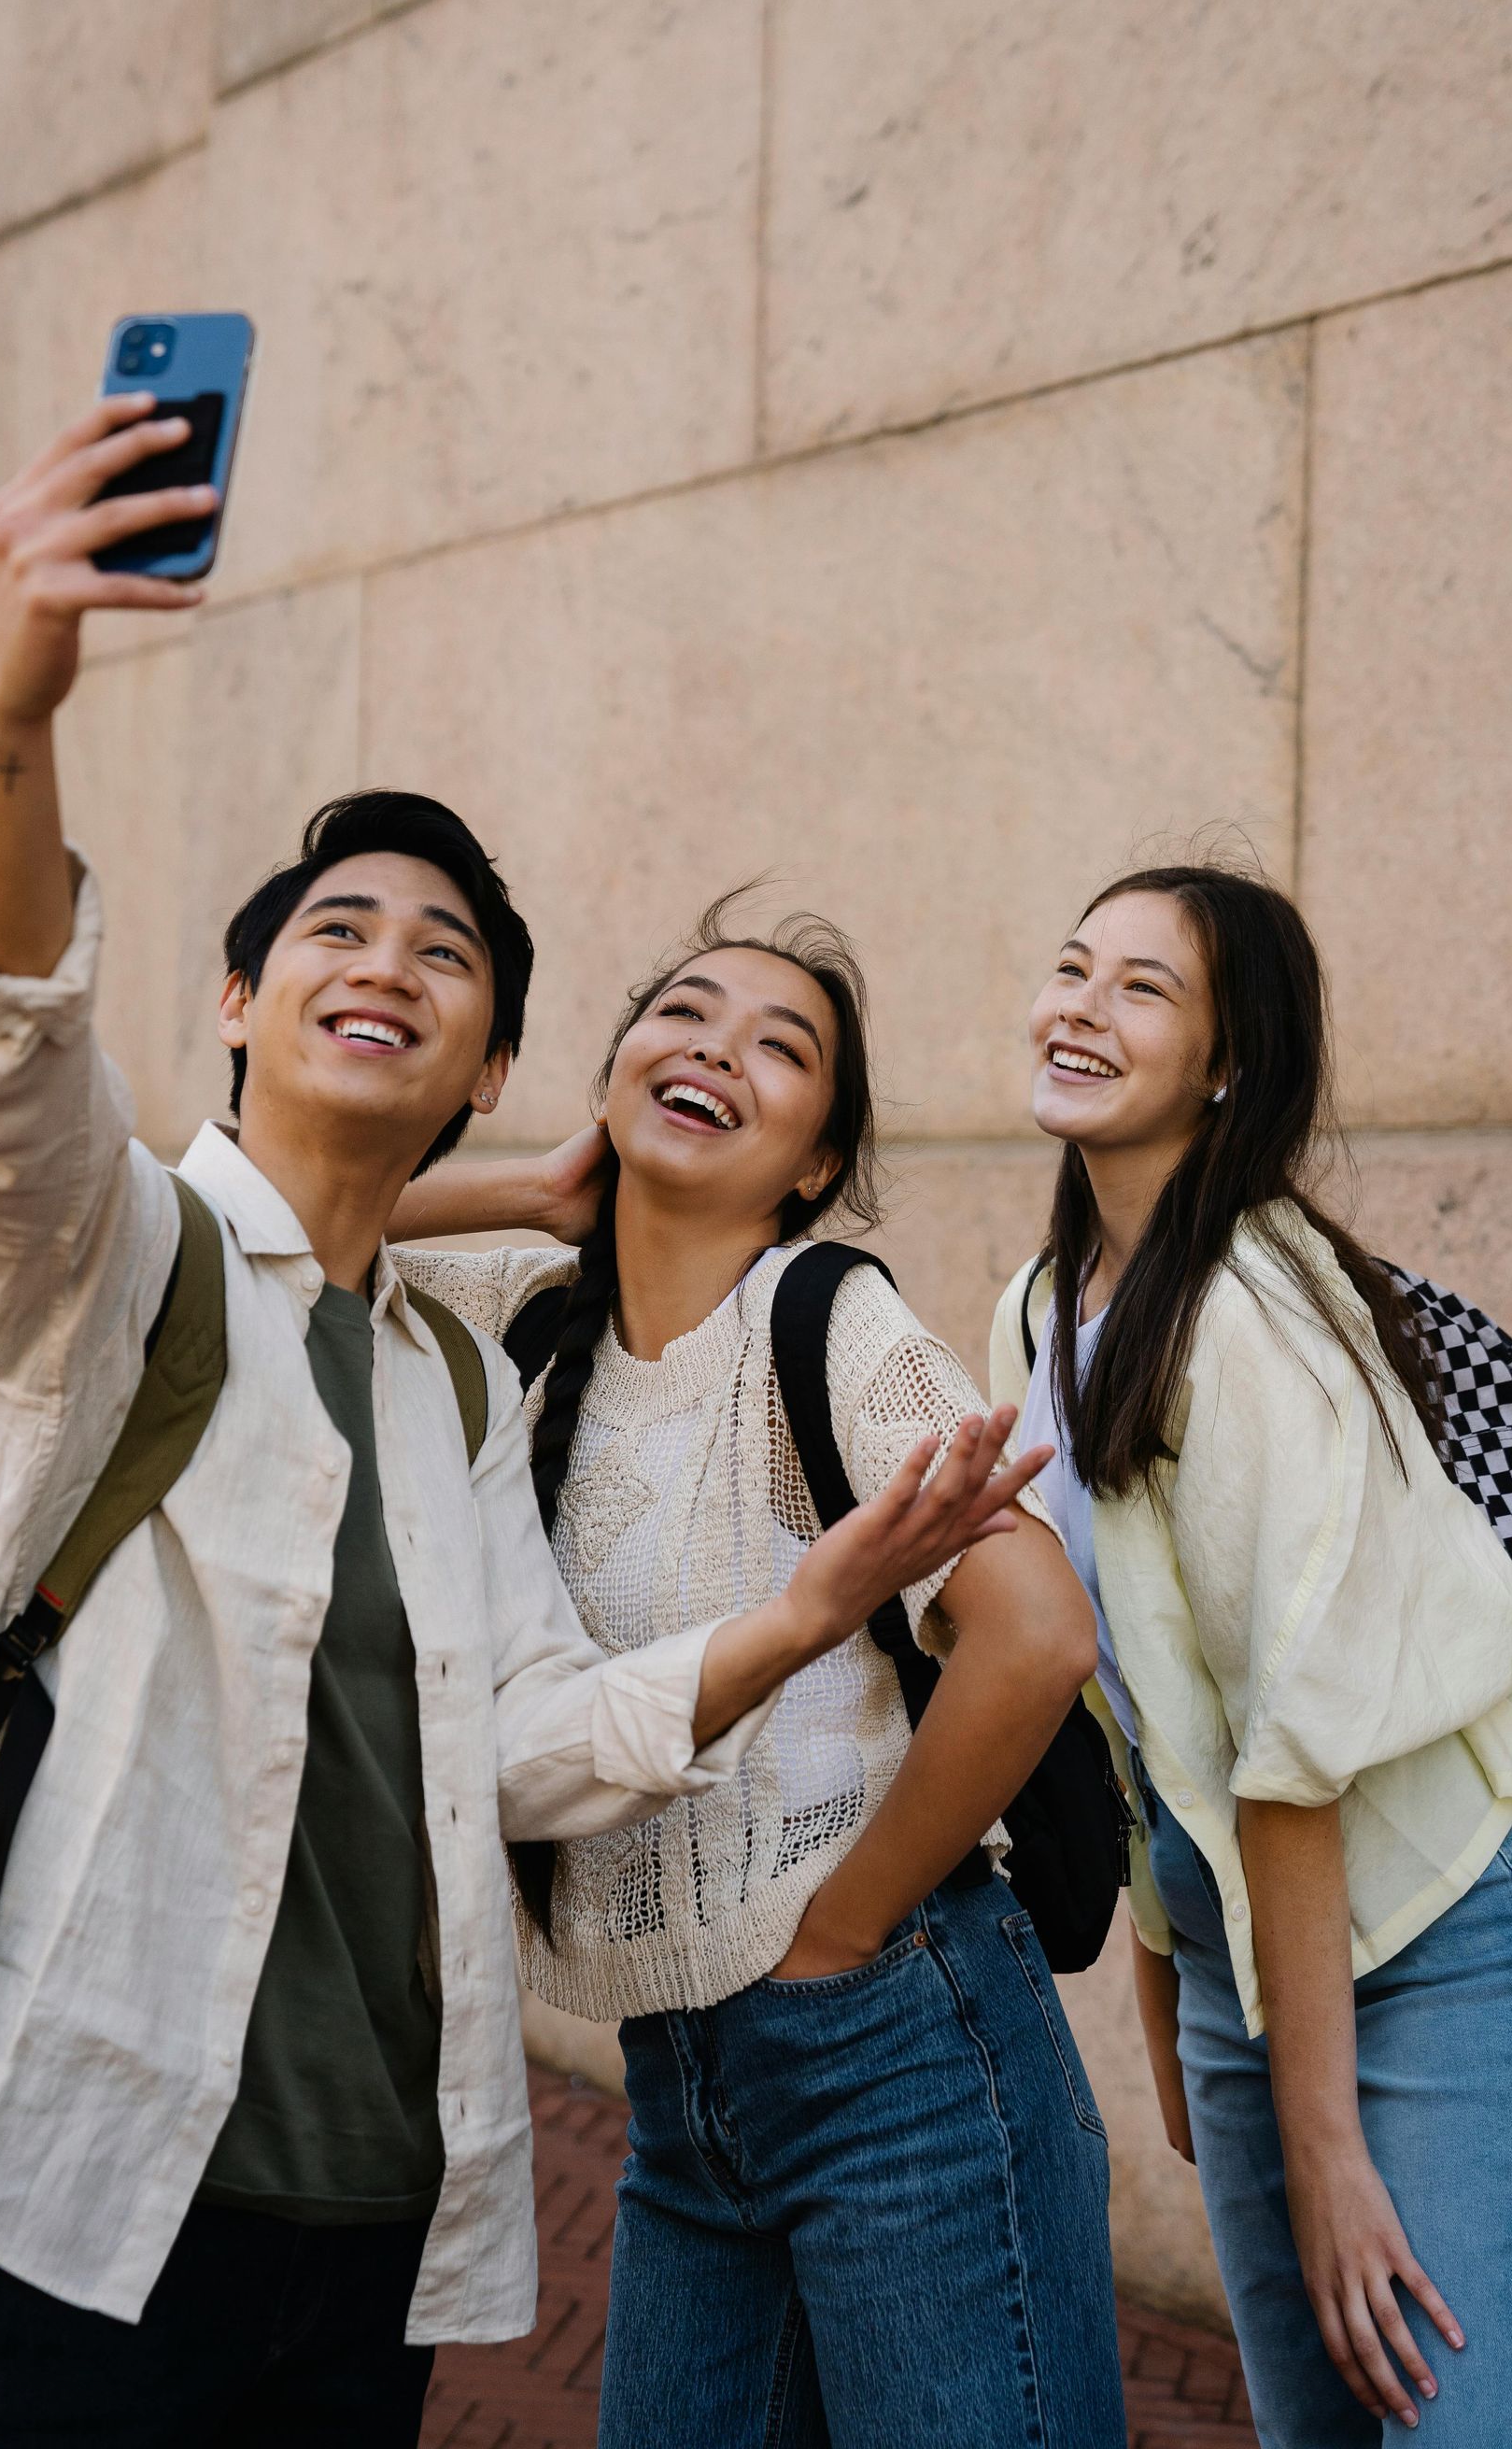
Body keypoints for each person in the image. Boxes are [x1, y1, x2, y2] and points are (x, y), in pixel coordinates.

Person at [0, 397, 1046, 2449]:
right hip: (71, 2188)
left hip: (371, 2227)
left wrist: (805, 1612)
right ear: (232, 1004)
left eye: (448, 957)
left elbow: (516, 1740)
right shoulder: (107, 1259)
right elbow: (6, 1067)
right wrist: (20, 707)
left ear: (491, 1058)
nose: (388, 963)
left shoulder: (448, 1375)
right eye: (335, 931)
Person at [388, 899, 1127, 2449]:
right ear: (608, 1082)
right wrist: (535, 1184)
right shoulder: (516, 1318)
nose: (717, 1048)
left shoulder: (833, 1320)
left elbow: (1040, 1633)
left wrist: (844, 1924)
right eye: (682, 1015)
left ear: (810, 1166)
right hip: (677, 2094)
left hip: (900, 2054)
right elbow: (279, 1226)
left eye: (780, 1048)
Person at [994, 861, 1512, 2447]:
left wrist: (1323, 2147)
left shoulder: (1258, 1318)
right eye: (1072, 965)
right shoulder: (1039, 1314)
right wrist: (1174, 1979)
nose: (1083, 1008)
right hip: (1245, 1927)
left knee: (1460, 2413)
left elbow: (1298, 1742)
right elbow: (1130, 1706)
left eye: (1143, 989)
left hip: (1443, 1912)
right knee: (1315, 2422)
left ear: (1228, 1060)